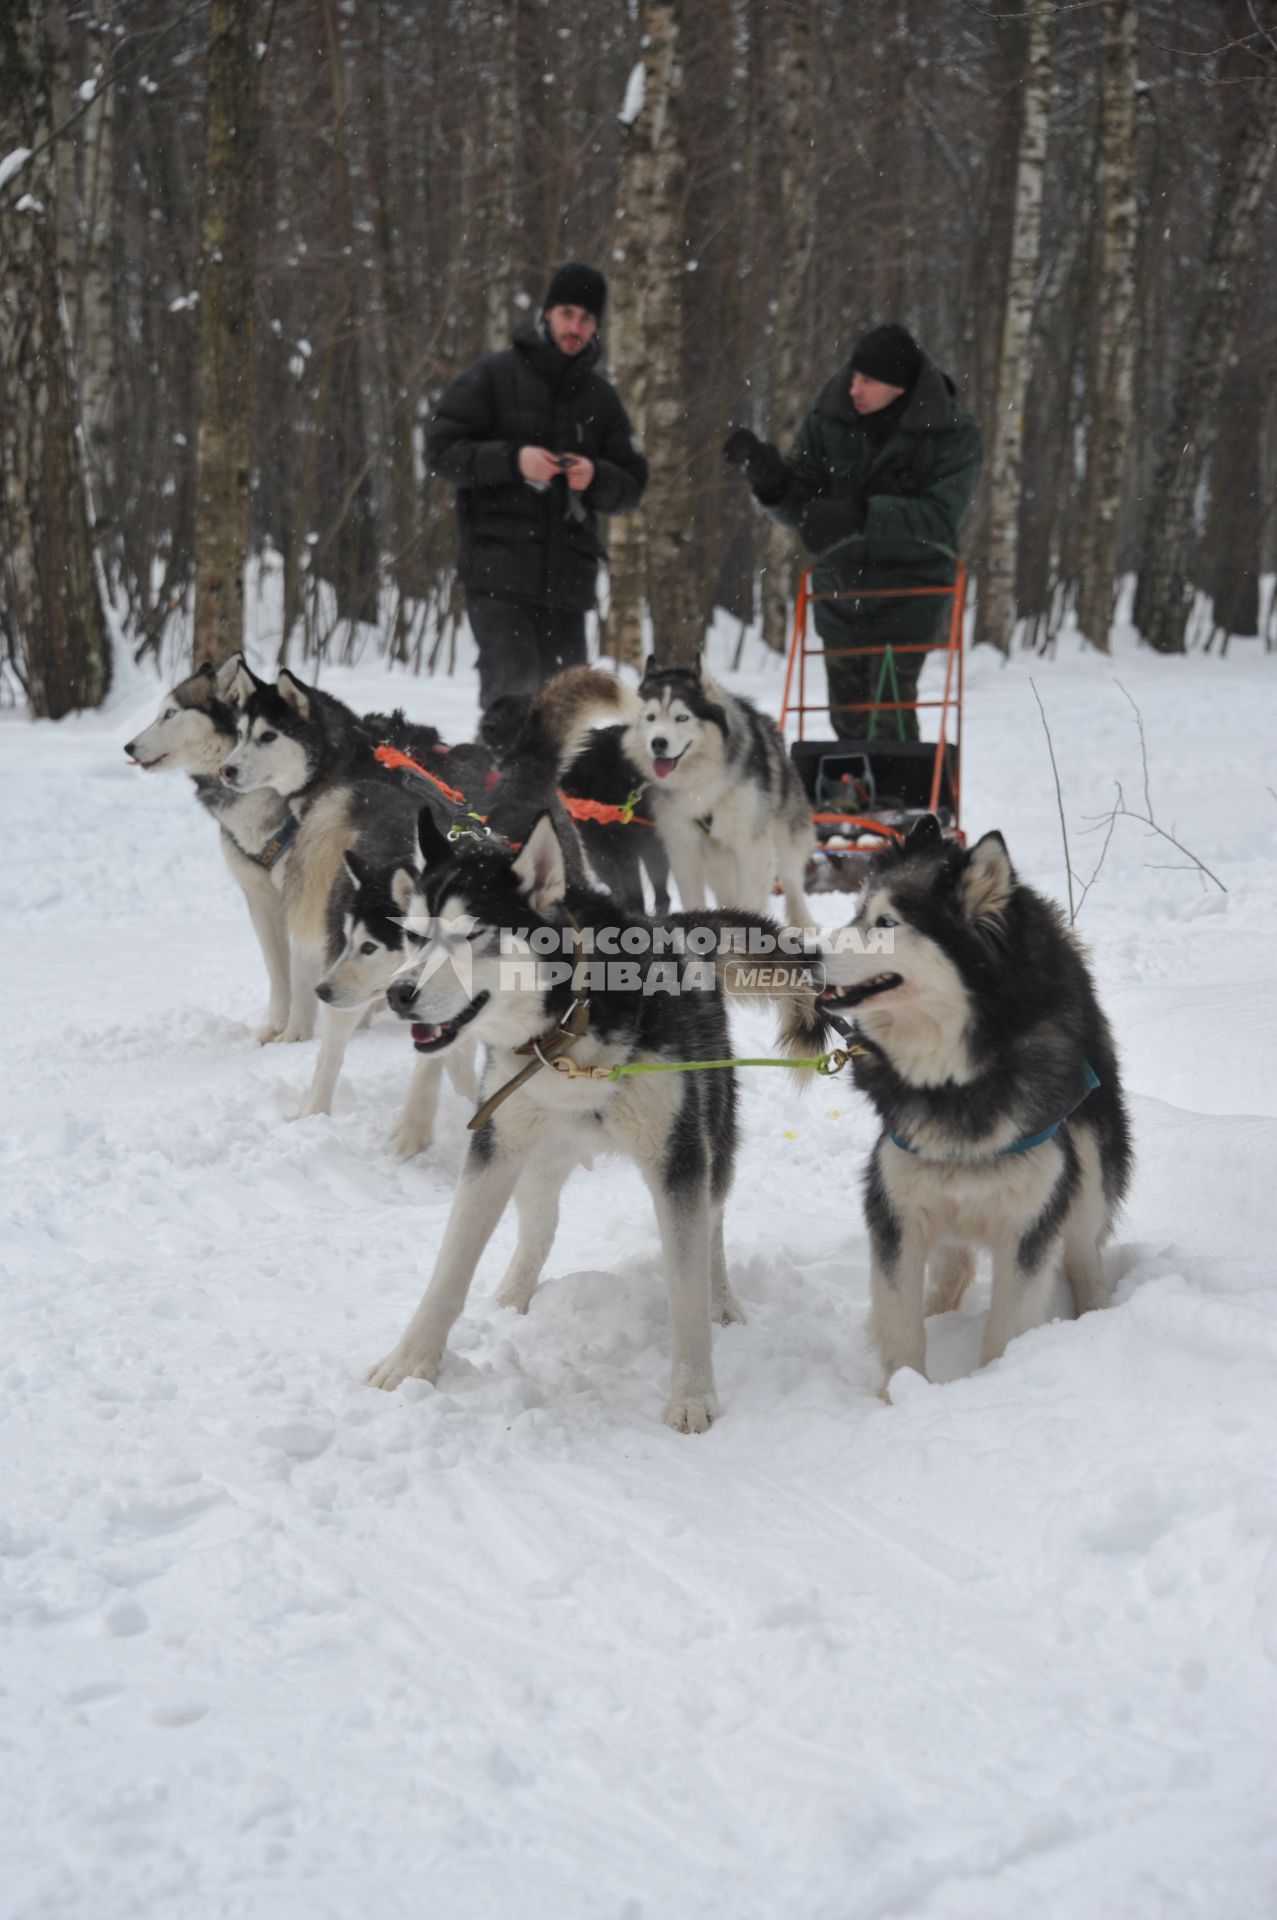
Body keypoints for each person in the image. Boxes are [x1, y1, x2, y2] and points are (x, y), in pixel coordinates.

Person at [724, 324, 981, 742]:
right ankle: (853, 794)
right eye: (854, 376)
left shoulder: (951, 434)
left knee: (889, 712)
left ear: (899, 387)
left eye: (868, 381)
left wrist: (863, 514)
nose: (854, 388)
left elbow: (939, 518)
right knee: (847, 717)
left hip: (912, 591)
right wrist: (769, 480)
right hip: (840, 590)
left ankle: (899, 798)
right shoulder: (830, 419)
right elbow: (803, 509)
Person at [427, 263, 649, 717]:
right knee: (513, 697)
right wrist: (512, 460)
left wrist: (596, 476)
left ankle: (563, 790)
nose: (575, 327)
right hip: (497, 572)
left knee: (569, 709)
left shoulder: (601, 401)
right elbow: (441, 451)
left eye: (587, 319)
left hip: (569, 582)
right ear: (546, 313)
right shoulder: (492, 377)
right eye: (567, 313)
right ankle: (498, 787)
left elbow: (632, 486)